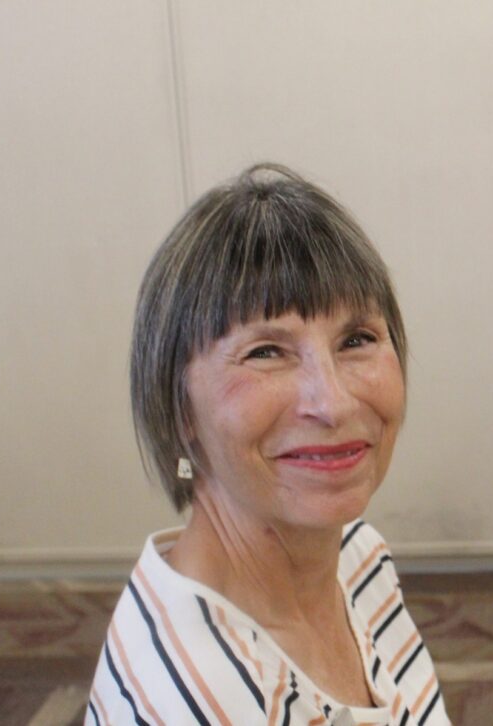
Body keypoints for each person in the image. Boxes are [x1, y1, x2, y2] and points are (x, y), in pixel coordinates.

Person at [87, 164, 449, 725]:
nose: (333, 403)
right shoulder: (191, 701)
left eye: (357, 340)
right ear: (178, 404)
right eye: (265, 352)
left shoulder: (357, 557)